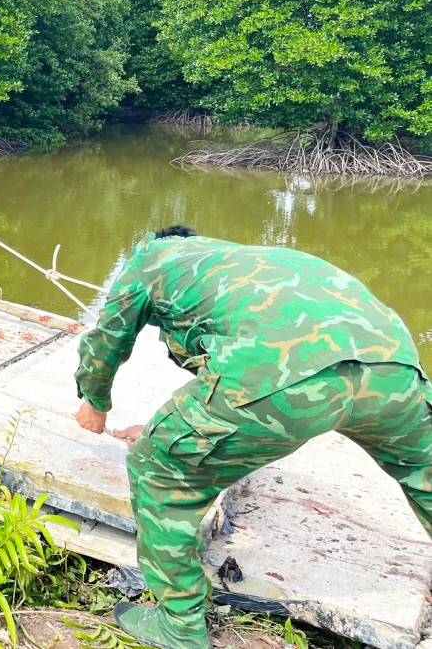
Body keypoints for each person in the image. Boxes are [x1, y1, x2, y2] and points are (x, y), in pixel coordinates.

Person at [73, 226, 432, 649]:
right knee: (424, 472)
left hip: (284, 380)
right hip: (396, 369)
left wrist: (95, 402)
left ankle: (180, 626)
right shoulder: (236, 260)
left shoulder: (148, 260)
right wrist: (160, 428)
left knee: (158, 470)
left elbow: (106, 342)